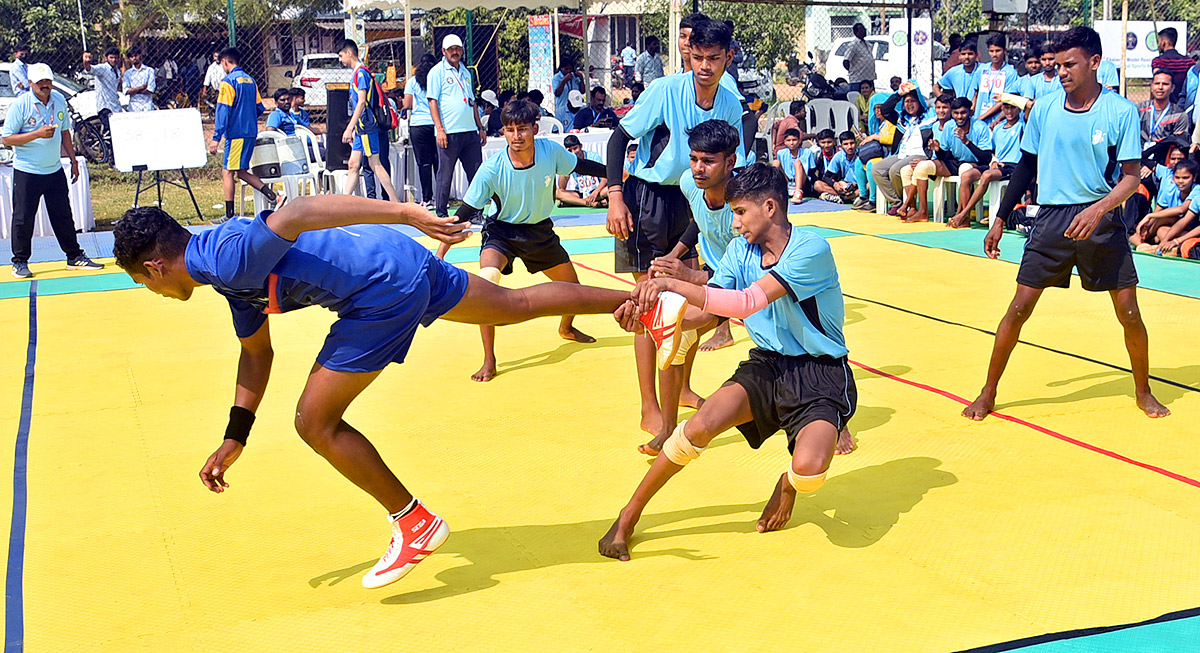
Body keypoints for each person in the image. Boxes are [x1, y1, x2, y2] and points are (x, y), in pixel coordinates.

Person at [110, 195, 676, 590]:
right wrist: (236, 438)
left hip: (382, 285)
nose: (152, 291)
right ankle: (652, 302)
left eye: (142, 282)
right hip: (396, 259)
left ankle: (413, 522)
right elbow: (256, 354)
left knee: (315, 421)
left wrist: (410, 213)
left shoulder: (222, 258)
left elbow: (301, 211)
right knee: (515, 305)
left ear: (156, 266)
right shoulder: (224, 268)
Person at [598, 162, 856, 561]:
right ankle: (626, 517)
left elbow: (746, 302)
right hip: (768, 365)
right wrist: (648, 318)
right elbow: (709, 314)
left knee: (809, 471)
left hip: (820, 374)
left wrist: (671, 283)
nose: (734, 224)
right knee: (695, 428)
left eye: (740, 212)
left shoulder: (811, 250)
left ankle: (787, 485)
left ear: (770, 207)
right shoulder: (740, 250)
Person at [967, 26, 1169, 422]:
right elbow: (1027, 165)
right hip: (1051, 218)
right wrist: (999, 218)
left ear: (1094, 63)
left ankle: (1143, 391)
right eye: (1057, 65)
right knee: (1018, 308)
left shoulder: (1120, 111)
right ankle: (988, 392)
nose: (1061, 71)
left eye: (1069, 64)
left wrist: (1099, 210)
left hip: (1100, 217)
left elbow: (1131, 176)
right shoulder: (1043, 108)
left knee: (1129, 313)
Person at [604, 18, 744, 447]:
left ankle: (679, 389)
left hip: (698, 200)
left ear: (727, 58)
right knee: (649, 304)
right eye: (697, 57)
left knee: (684, 306)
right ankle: (649, 405)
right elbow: (616, 139)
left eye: (713, 59)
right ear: (689, 55)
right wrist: (615, 196)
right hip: (648, 198)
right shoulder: (665, 90)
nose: (705, 66)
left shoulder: (732, 101)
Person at [459, 100, 609, 382]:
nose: (516, 136)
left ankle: (566, 328)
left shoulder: (550, 151)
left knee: (572, 289)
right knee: (487, 283)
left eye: (522, 129)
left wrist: (614, 175)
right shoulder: (492, 168)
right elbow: (463, 214)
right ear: (503, 132)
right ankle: (489, 358)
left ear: (535, 129)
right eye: (510, 130)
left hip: (539, 232)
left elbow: (582, 165)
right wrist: (440, 252)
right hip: (501, 232)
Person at [2, 63, 104, 279]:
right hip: (28, 170)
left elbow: (65, 131)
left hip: (54, 169)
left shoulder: (58, 100)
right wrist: (36, 134)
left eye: (47, 81)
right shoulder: (21, 105)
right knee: (23, 217)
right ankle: (19, 261)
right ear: (30, 84)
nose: (45, 86)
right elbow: (7, 138)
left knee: (63, 215)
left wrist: (73, 160)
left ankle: (74, 256)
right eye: (40, 83)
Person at [208, 47, 277, 223]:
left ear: (224, 62)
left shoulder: (228, 82)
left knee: (227, 171)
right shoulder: (250, 81)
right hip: (250, 132)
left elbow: (223, 110)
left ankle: (229, 214)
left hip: (236, 133)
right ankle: (271, 195)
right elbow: (260, 107)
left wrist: (216, 137)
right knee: (241, 171)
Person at [336, 41, 399, 205]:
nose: (341, 60)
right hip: (360, 128)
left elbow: (362, 102)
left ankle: (395, 202)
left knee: (375, 164)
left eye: (341, 56)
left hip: (365, 126)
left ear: (349, 53)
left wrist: (350, 127)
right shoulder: (358, 73)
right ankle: (344, 203)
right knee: (353, 164)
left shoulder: (361, 73)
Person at [950, 101, 1022, 227]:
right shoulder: (999, 127)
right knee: (966, 175)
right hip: (998, 165)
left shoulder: (1022, 125)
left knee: (987, 175)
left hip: (1014, 166)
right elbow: (992, 151)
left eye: (1013, 108)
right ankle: (964, 218)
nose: (1009, 111)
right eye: (1006, 107)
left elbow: (1028, 108)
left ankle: (963, 214)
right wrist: (994, 161)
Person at [871, 81, 933, 215]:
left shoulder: (929, 116)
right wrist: (899, 94)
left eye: (913, 101)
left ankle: (907, 203)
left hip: (920, 153)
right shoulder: (901, 118)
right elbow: (885, 109)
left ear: (919, 102)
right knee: (877, 169)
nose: (910, 105)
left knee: (895, 170)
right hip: (901, 154)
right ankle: (898, 202)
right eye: (907, 101)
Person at [898, 93, 956, 220]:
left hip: (950, 163)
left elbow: (950, 153)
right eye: (938, 107)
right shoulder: (934, 126)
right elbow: (932, 151)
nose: (941, 111)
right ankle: (913, 208)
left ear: (951, 109)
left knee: (922, 167)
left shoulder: (953, 126)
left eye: (945, 107)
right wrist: (928, 159)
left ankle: (922, 211)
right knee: (905, 170)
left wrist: (929, 160)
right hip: (935, 161)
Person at [1130, 157, 1199, 248]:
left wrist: (1149, 216)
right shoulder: (1170, 189)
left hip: (1189, 228)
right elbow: (1158, 210)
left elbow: (1182, 210)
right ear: (1173, 178)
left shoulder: (1197, 190)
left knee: (1170, 218)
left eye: (1185, 178)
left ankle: (1157, 244)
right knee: (1161, 230)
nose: (1181, 181)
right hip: (1171, 227)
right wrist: (1147, 227)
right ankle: (1147, 243)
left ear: (1194, 178)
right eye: (1177, 177)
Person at [403, 54, 439, 207]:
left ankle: (427, 198)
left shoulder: (412, 82)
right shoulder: (437, 80)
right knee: (439, 161)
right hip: (437, 124)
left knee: (424, 163)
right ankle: (441, 197)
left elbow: (407, 104)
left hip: (418, 125)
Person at [973, 34, 1019, 122]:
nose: (994, 54)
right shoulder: (981, 70)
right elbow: (975, 94)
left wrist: (982, 117)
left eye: (998, 51)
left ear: (1005, 51)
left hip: (996, 121)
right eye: (991, 51)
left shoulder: (1010, 72)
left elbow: (1005, 99)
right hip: (978, 118)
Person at [1137, 70, 1190, 145]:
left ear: (1172, 88)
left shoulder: (1180, 115)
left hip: (1165, 155)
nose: (1160, 87)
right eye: (1157, 83)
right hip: (1140, 154)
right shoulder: (1139, 109)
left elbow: (1179, 143)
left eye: (1165, 84)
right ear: (1152, 87)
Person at [557, 134, 608, 207]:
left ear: (581, 146)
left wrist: (596, 192)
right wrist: (565, 170)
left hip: (597, 192)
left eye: (575, 148)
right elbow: (562, 187)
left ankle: (578, 202)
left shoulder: (594, 157)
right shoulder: (569, 160)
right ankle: (588, 202)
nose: (573, 152)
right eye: (570, 151)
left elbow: (605, 178)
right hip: (581, 193)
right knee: (557, 192)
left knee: (609, 189)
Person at [1150, 27, 1191, 105]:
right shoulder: (1188, 61)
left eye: (1158, 41)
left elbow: (1156, 81)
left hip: (1164, 104)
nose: (1158, 44)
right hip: (1183, 103)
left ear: (1163, 42)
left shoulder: (1159, 61)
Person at [815, 131, 859, 204]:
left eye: (852, 143)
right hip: (843, 187)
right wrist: (835, 184)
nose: (849, 147)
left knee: (869, 185)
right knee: (818, 185)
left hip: (858, 186)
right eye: (846, 144)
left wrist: (854, 185)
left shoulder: (861, 155)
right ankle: (848, 198)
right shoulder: (839, 156)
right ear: (841, 146)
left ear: (856, 143)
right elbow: (826, 177)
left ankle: (843, 198)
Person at [775, 128, 813, 201]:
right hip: (788, 181)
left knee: (797, 162)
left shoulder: (808, 152)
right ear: (785, 142)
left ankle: (798, 192)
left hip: (803, 182)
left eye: (794, 140)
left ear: (799, 141)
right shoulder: (781, 153)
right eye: (788, 140)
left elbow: (812, 172)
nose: (791, 143)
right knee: (776, 162)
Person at [91, 47, 124, 128]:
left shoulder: (117, 71)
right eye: (111, 57)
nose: (114, 60)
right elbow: (90, 69)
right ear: (106, 58)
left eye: (115, 57)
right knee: (110, 130)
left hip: (116, 106)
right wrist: (86, 61)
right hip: (105, 106)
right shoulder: (103, 68)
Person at [122, 46, 156, 112]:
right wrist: (141, 87)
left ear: (140, 55)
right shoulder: (127, 73)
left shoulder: (149, 71)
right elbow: (126, 91)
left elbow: (150, 90)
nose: (134, 58)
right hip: (133, 106)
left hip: (147, 105)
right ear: (129, 59)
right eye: (131, 57)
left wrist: (134, 90)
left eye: (135, 55)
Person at [553, 59, 585, 125]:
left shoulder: (575, 77)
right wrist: (564, 81)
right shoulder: (557, 78)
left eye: (570, 69)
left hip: (576, 107)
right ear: (561, 68)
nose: (568, 71)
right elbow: (557, 93)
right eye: (566, 69)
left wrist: (581, 78)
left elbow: (582, 91)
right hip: (563, 107)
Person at [844, 23, 876, 88]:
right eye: (862, 30)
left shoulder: (867, 44)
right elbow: (846, 61)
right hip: (857, 80)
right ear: (856, 32)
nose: (864, 31)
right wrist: (853, 71)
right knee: (857, 97)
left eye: (864, 29)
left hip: (869, 78)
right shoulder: (853, 45)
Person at [203, 49, 224, 116]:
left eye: (218, 56)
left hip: (223, 87)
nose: (216, 58)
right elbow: (207, 77)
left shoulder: (223, 66)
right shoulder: (211, 67)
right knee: (212, 100)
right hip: (214, 87)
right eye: (215, 56)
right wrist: (205, 87)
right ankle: (211, 114)